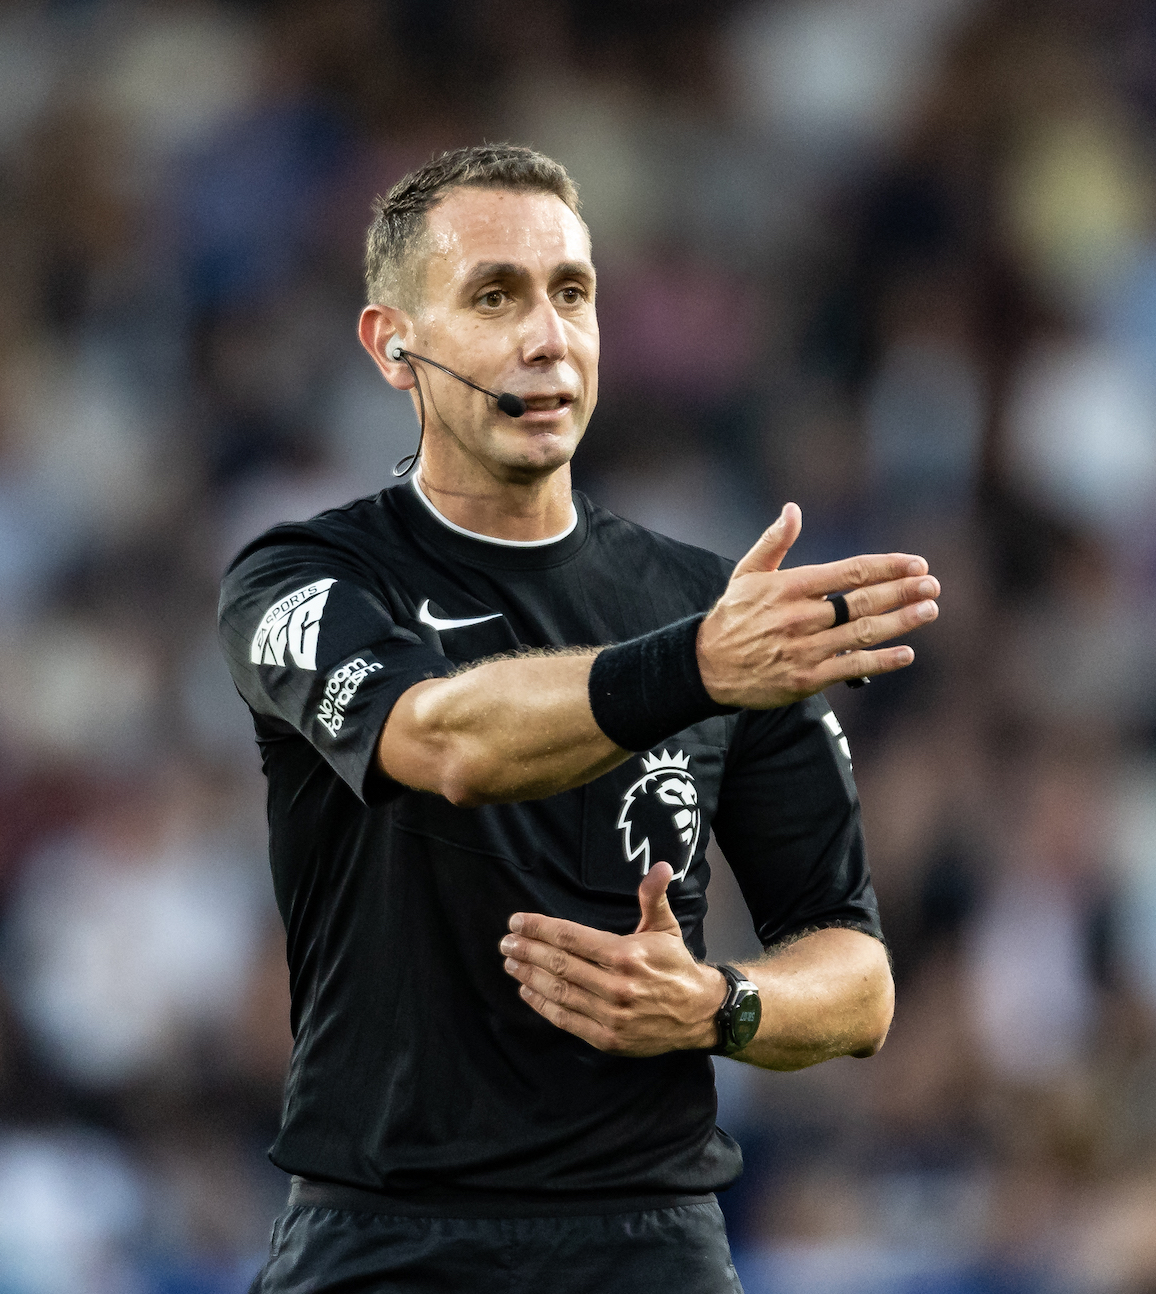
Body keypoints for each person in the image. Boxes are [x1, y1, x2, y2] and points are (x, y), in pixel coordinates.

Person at [219, 143, 941, 1293]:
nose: (546, 336)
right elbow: (444, 741)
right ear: (392, 345)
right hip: (384, 1241)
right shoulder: (303, 579)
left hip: (646, 1242)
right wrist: (695, 667)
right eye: (494, 296)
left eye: (572, 293)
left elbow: (858, 981)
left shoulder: (716, 612)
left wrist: (717, 1002)